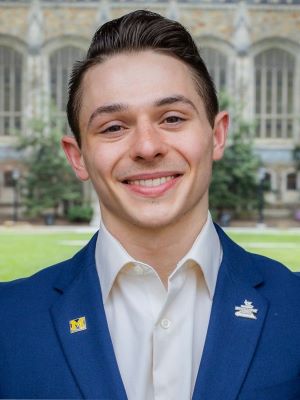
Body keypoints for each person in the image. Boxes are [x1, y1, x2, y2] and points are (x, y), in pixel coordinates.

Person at [0, 10, 300, 400]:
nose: (146, 147)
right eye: (113, 127)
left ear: (217, 134)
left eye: (172, 118)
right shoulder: (9, 321)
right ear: (77, 157)